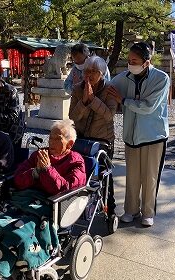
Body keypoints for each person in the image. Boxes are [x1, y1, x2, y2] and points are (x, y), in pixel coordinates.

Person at [0, 119, 86, 279]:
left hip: (49, 206)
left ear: (69, 144)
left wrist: (48, 170)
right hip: (23, 199)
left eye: (57, 139)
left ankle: (0, 268)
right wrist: (35, 172)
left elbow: (65, 189)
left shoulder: (76, 163)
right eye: (50, 137)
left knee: (18, 233)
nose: (51, 142)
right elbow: (18, 178)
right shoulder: (39, 154)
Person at [111, 42, 170, 227]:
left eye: (134, 61)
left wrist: (123, 100)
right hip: (131, 136)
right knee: (133, 176)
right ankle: (131, 210)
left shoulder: (161, 78)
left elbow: (148, 106)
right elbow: (107, 84)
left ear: (146, 62)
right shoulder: (125, 77)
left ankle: (148, 212)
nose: (130, 64)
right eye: (129, 60)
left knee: (150, 177)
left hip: (154, 136)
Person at [69, 55, 121, 216]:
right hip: (82, 137)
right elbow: (72, 116)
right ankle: (77, 208)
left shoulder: (110, 89)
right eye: (86, 71)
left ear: (102, 73)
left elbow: (109, 115)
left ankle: (109, 209)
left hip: (102, 139)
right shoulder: (78, 88)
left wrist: (92, 100)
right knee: (78, 173)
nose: (88, 75)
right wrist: (83, 102)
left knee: (105, 176)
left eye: (93, 72)